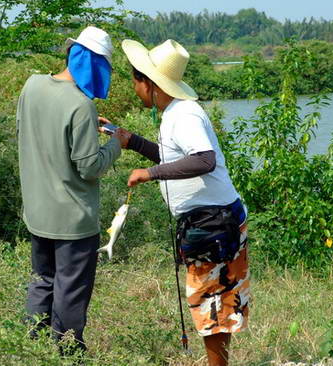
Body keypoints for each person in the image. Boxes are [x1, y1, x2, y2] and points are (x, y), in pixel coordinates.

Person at [101, 39, 249, 366]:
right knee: (216, 301)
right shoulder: (174, 112)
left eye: (135, 81)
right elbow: (176, 157)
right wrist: (132, 141)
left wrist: (150, 173)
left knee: (211, 303)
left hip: (214, 222)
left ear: (150, 83)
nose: (133, 87)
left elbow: (204, 160)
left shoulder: (184, 116)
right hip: (214, 219)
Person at [16, 26, 125, 353]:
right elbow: (90, 167)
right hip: (73, 222)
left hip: (37, 213)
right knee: (70, 293)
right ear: (95, 64)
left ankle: (32, 351)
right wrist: (115, 144)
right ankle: (68, 355)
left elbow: (35, 132)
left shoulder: (32, 85)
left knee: (42, 283)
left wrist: (88, 128)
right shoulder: (81, 106)